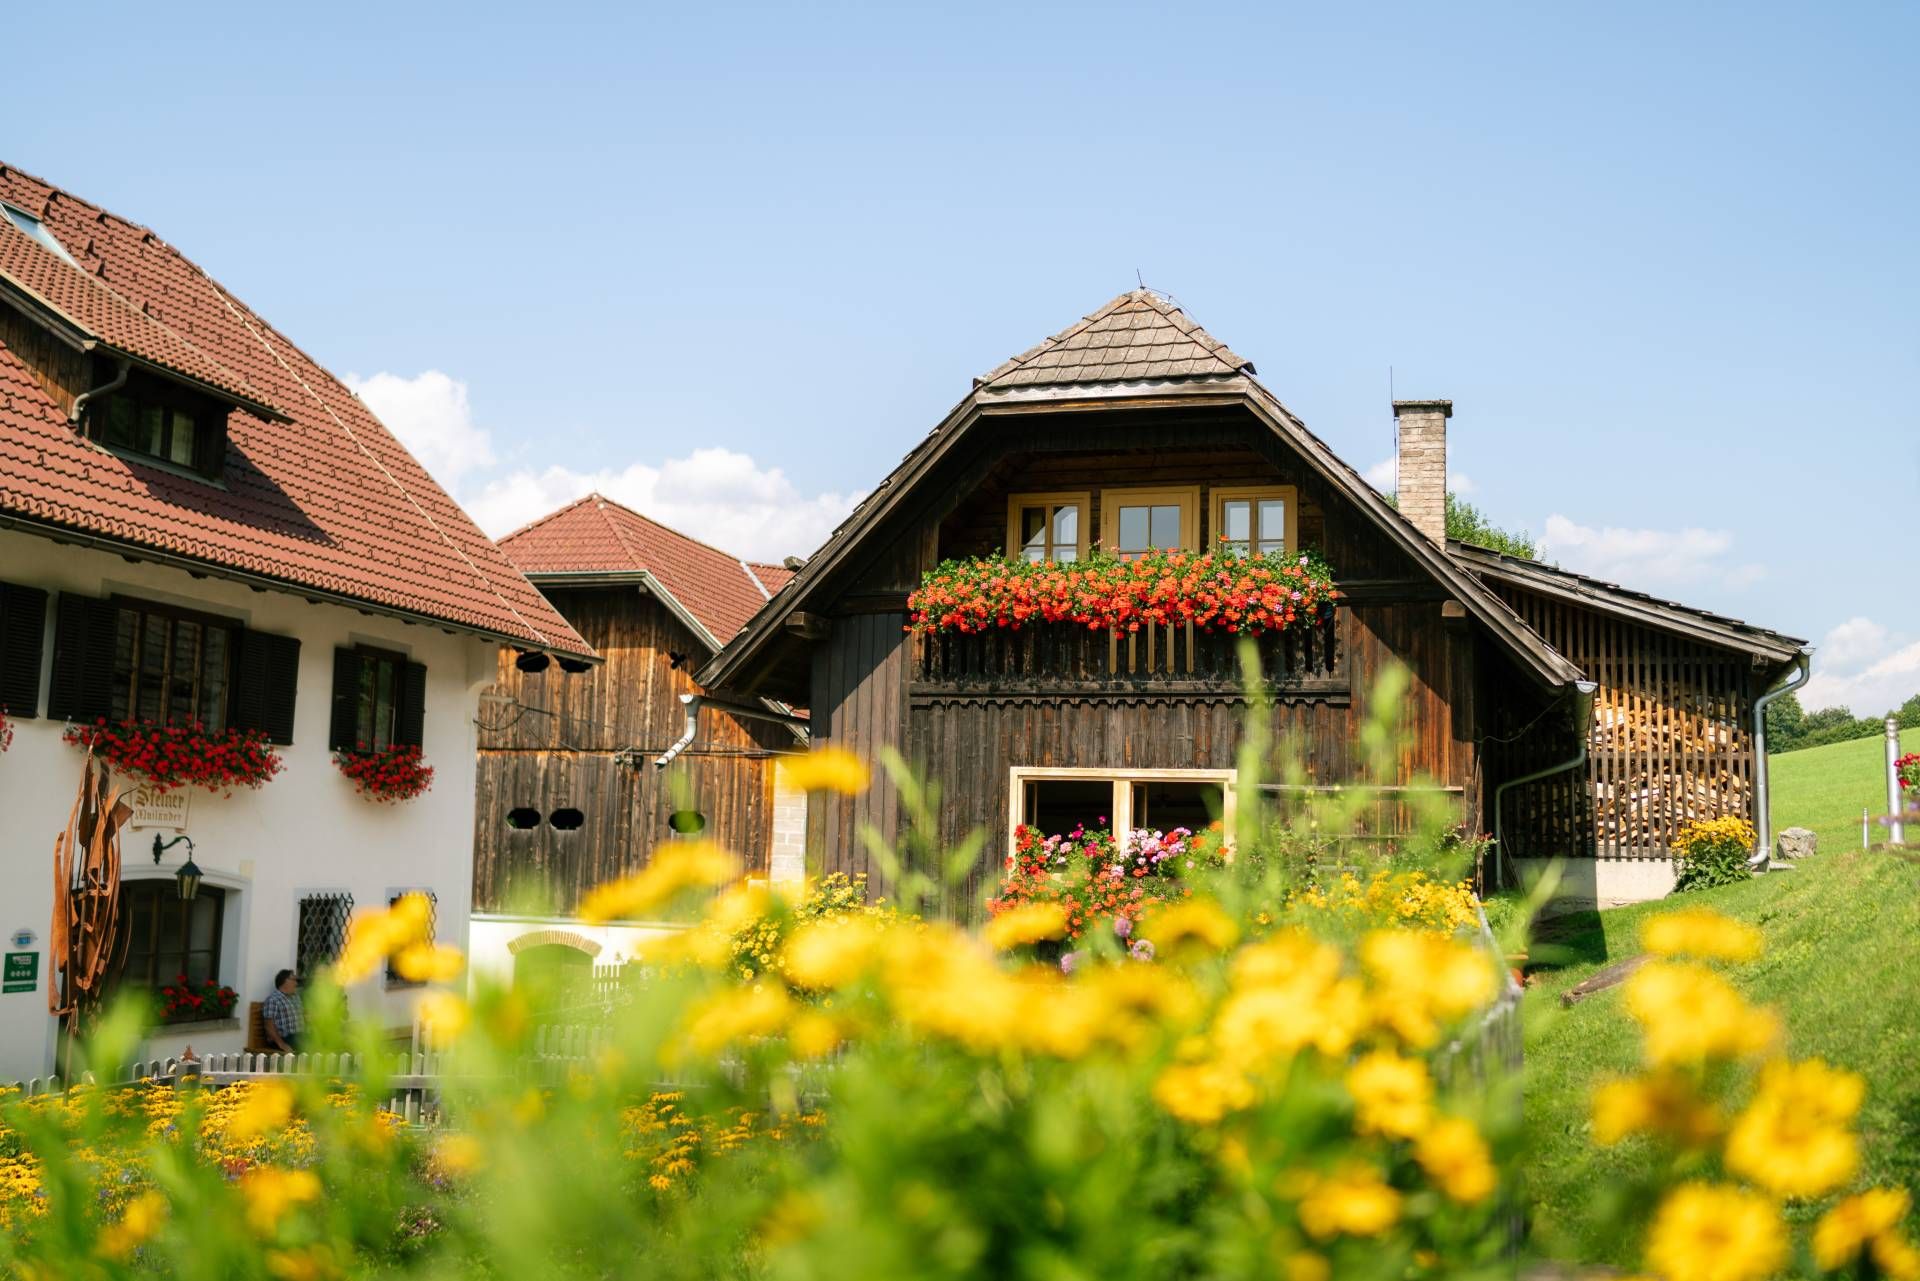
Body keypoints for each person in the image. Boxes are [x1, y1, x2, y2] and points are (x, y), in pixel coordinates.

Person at [262, 968, 304, 1054]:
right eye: (294, 980)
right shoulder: (273, 1000)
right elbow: (268, 1026)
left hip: (299, 1036)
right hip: (282, 1039)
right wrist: (281, 1044)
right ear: (285, 981)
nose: (296, 983)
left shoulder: (296, 997)